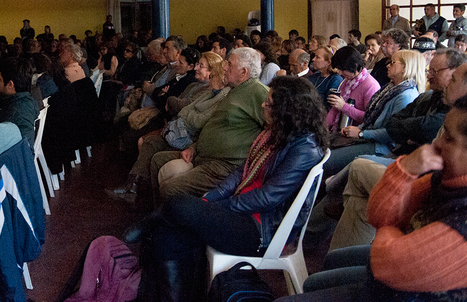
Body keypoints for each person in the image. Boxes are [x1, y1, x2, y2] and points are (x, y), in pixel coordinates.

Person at [128, 76, 329, 301]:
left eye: (269, 102)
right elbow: (240, 172)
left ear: (287, 109)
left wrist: (220, 205)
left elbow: (268, 198)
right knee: (167, 237)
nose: (263, 104)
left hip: (261, 231)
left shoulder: (304, 148)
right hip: (244, 212)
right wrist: (213, 197)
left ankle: (151, 221)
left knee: (178, 203)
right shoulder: (276, 133)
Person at [278, 97, 467, 301]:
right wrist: (405, 171)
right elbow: (377, 214)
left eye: (448, 138)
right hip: (391, 283)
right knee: (319, 275)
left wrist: (390, 238)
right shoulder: (445, 178)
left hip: (399, 292)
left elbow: (388, 263)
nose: (436, 143)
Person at [327, 52, 467, 252]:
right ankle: (332, 254)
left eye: (437, 72)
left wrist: (363, 133)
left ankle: (320, 215)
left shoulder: (414, 96)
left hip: (389, 151)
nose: (429, 76)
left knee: (356, 167)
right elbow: (394, 124)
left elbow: (420, 131)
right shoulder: (427, 96)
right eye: (429, 70)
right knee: (358, 203)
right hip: (404, 159)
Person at [108, 51, 230, 208]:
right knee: (144, 140)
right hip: (176, 127)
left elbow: (190, 113)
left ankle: (140, 195)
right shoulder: (201, 88)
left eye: (201, 65)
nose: (197, 68)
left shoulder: (213, 93)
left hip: (188, 137)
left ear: (214, 72)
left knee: (146, 143)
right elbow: (178, 106)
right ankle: (136, 192)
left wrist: (174, 102)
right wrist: (176, 105)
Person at [148, 47, 268, 203]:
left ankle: (162, 223)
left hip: (223, 167)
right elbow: (215, 125)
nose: (224, 67)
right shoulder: (234, 89)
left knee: (170, 189)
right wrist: (194, 147)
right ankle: (157, 219)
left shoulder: (258, 92)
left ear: (243, 72)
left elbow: (277, 132)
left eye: (229, 64)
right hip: (203, 156)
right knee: (157, 160)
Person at [325, 50, 425, 178]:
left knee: (327, 161)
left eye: (393, 63)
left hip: (382, 146)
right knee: (324, 151)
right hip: (369, 138)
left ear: (405, 67)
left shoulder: (405, 96)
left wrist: (361, 133)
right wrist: (358, 130)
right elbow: (371, 118)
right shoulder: (391, 88)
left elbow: (393, 133)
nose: (387, 65)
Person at [326, 46, 380, 133]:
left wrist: (344, 107)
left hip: (358, 133)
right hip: (341, 131)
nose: (339, 73)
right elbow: (335, 109)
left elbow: (370, 118)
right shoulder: (347, 82)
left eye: (342, 69)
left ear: (354, 66)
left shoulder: (371, 85)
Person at [0, 57, 39, 148]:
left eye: (0, 80)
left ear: (10, 85)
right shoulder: (28, 100)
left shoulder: (17, 112)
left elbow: (25, 149)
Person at [309, 45, 343, 111]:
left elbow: (329, 107)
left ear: (328, 62)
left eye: (317, 57)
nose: (313, 59)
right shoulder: (315, 75)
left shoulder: (335, 79)